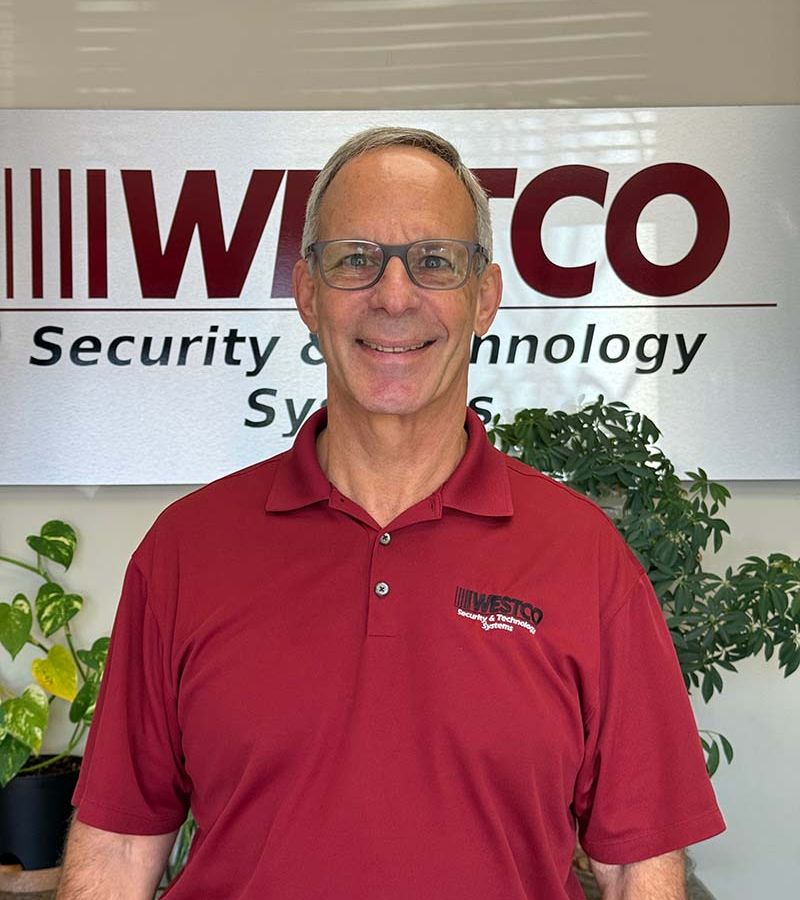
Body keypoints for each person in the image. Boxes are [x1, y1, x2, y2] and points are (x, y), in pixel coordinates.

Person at [59, 127, 724, 899]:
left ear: (484, 299)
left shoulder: (584, 557)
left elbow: (639, 865)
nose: (395, 296)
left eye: (434, 261)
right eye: (356, 260)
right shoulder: (186, 550)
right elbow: (117, 847)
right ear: (308, 293)